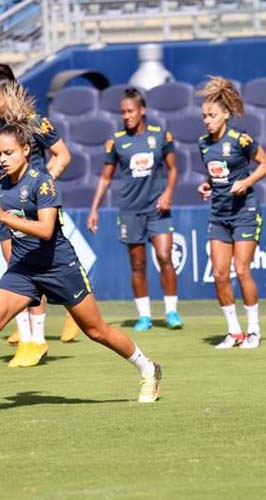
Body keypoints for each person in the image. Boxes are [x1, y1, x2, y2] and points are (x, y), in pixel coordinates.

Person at [0, 123, 162, 417]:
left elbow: (46, 230)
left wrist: (1, 215)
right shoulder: (0, 184)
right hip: (24, 269)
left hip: (58, 267)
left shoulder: (43, 183)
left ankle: (148, 368)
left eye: (8, 152)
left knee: (96, 331)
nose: (2, 158)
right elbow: (6, 207)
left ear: (26, 151)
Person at [0, 63, 81, 367]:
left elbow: (63, 155)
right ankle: (28, 340)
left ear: (9, 95)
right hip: (5, 207)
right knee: (16, 269)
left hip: (33, 210)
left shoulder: (35, 122)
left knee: (38, 267)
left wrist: (40, 188)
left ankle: (38, 340)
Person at [87, 87, 183, 331]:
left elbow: (173, 169)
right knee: (137, 264)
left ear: (142, 110)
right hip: (130, 210)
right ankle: (145, 316)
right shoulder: (116, 141)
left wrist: (168, 193)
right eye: (122, 112)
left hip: (157, 208)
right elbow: (106, 178)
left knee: (164, 257)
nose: (126, 116)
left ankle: (172, 312)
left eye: (130, 111)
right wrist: (94, 208)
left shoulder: (160, 135)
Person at [196, 76, 266, 350]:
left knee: (241, 270)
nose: (207, 120)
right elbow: (216, 173)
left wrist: (246, 182)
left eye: (212, 115)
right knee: (219, 274)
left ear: (226, 114)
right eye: (204, 116)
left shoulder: (241, 139)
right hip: (218, 215)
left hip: (245, 212)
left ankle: (254, 330)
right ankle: (234, 332)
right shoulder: (203, 144)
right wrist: (207, 185)